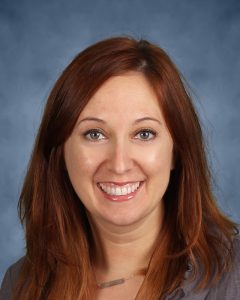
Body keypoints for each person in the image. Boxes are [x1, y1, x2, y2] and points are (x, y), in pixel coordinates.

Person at [0, 36, 239, 300]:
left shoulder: (234, 275)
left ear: (177, 152)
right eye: (94, 134)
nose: (119, 164)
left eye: (144, 134)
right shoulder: (20, 285)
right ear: (60, 155)